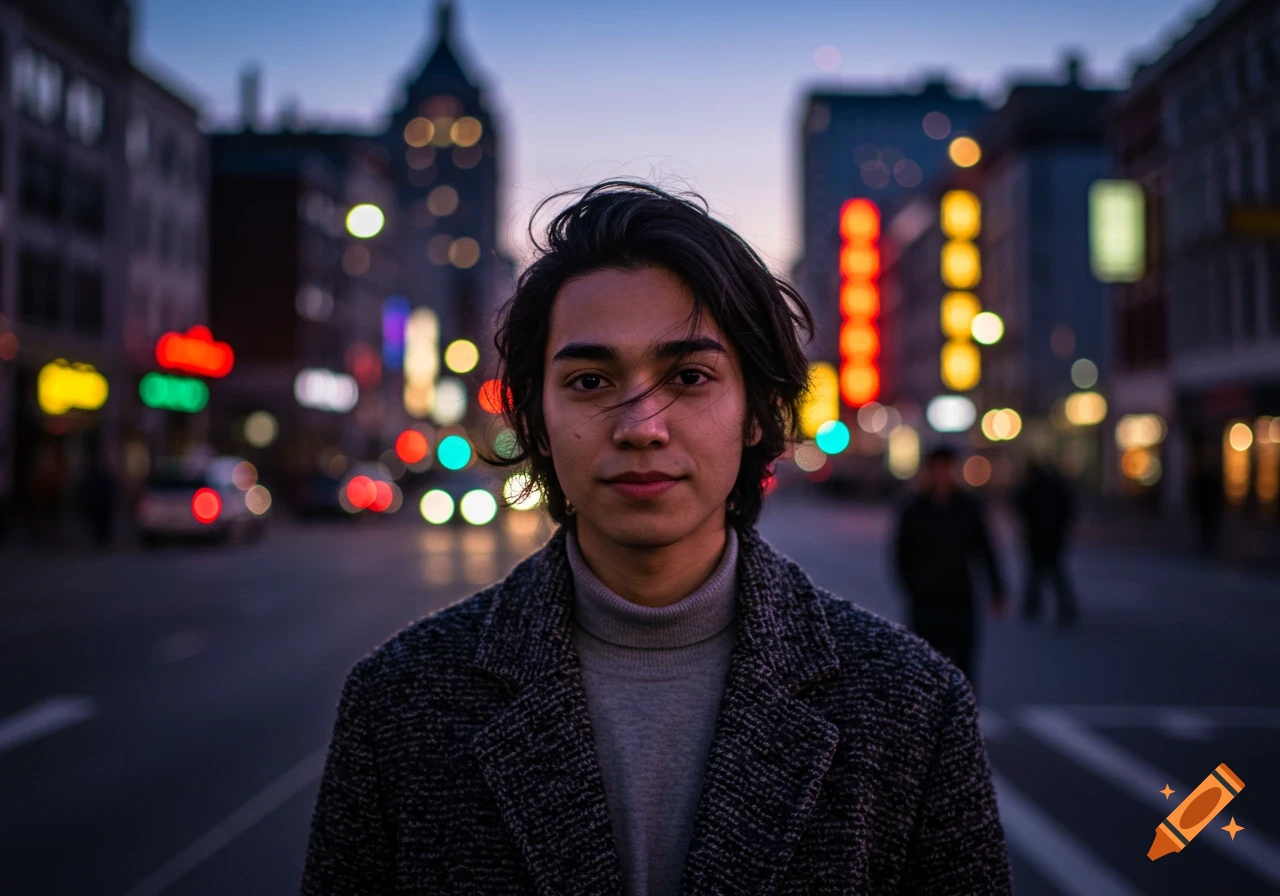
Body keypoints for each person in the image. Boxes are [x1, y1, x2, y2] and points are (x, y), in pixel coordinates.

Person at [302, 182, 1011, 895]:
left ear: (758, 412)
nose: (641, 425)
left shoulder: (912, 705)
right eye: (589, 380)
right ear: (537, 421)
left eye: (689, 376)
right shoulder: (398, 703)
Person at [893, 445, 1008, 693]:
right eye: (937, 468)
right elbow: (901, 555)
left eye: (946, 468)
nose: (941, 474)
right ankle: (930, 724)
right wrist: (913, 587)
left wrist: (997, 589)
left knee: (964, 668)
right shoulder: (914, 510)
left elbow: (984, 549)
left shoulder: (968, 507)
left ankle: (964, 723)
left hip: (960, 598)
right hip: (926, 601)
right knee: (925, 667)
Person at [1014, 459, 1077, 627]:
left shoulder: (1033, 487)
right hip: (1051, 537)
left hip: (1038, 537)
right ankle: (1062, 609)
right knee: (1052, 573)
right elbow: (1068, 508)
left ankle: (1033, 606)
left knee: (1039, 573)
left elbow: (1019, 503)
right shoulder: (1055, 487)